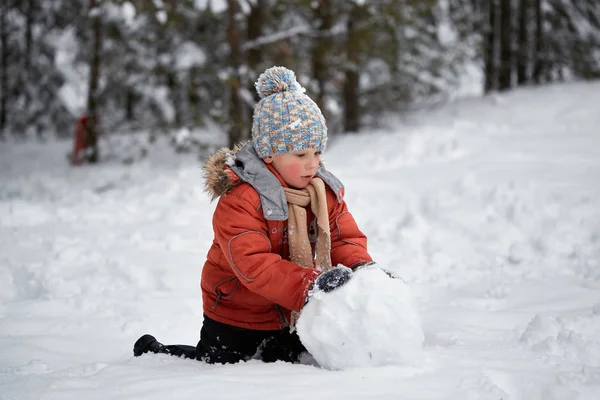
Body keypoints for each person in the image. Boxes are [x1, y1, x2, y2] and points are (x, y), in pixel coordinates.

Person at [133, 66, 373, 364]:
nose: (313, 164)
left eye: (317, 153)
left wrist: (363, 270)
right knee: (216, 367)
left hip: (293, 312)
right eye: (300, 155)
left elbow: (343, 237)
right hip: (237, 313)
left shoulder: (321, 193)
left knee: (291, 366)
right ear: (269, 154)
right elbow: (253, 264)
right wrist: (309, 287)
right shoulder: (242, 198)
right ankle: (156, 354)